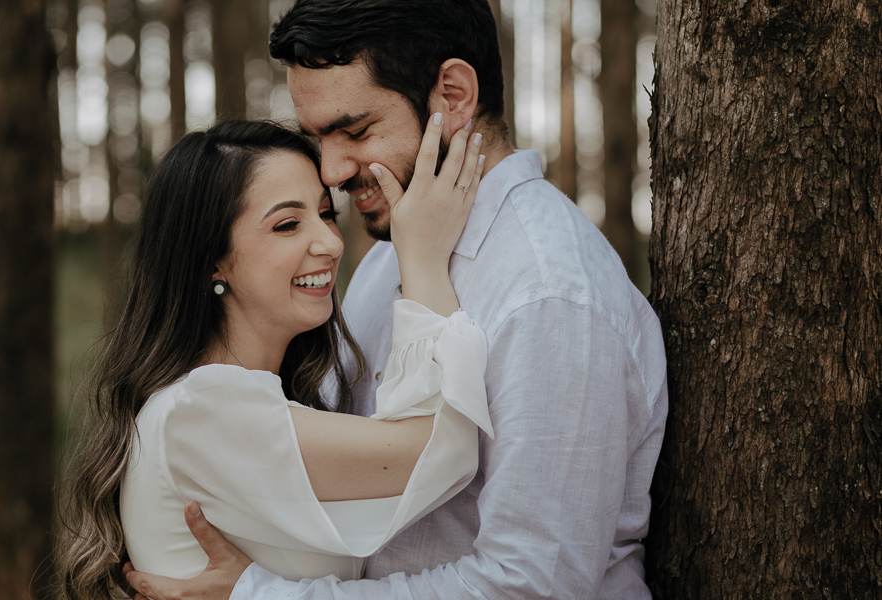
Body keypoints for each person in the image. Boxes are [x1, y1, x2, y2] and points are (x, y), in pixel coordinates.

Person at [125, 0, 669, 598]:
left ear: (455, 94)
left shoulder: (550, 295)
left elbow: (533, 584)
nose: (329, 170)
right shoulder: (387, 260)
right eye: (317, 137)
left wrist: (262, 594)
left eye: (354, 130)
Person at [58, 117, 492, 600]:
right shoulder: (203, 411)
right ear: (211, 259)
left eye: (326, 214)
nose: (330, 243)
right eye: (287, 224)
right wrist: (424, 258)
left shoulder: (237, 404)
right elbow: (438, 449)